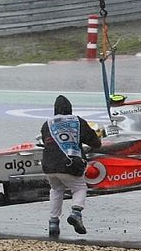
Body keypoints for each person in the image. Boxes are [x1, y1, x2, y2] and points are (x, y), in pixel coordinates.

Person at [41, 95, 101, 237]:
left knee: (56, 190)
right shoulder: (77, 121)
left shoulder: (47, 124)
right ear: (70, 109)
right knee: (79, 187)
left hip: (48, 165)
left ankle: (53, 223)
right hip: (69, 164)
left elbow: (45, 141)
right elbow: (96, 143)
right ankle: (76, 213)